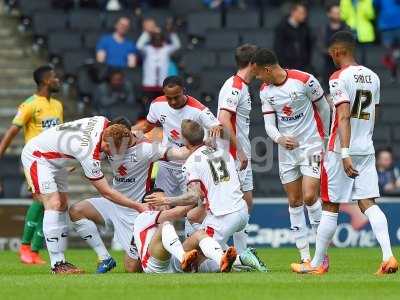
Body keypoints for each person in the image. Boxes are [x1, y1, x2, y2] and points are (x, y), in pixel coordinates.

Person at [291, 31, 398, 275]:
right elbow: (374, 112)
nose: (331, 59)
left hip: (342, 150)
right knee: (368, 202)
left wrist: (345, 152)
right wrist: (363, 139)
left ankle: (317, 264)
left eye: (332, 54)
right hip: (366, 147)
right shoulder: (374, 77)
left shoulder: (339, 77)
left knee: (330, 204)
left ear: (338, 51)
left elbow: (343, 116)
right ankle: (388, 257)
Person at [21, 118, 148, 274]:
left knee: (62, 205)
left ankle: (96, 259)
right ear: (107, 143)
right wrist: (137, 206)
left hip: (54, 159)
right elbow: (106, 192)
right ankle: (57, 265)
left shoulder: (104, 122)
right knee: (54, 204)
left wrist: (132, 135)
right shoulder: (89, 151)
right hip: (38, 157)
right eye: (112, 150)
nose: (111, 154)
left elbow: (119, 129)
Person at [69, 119, 191, 273]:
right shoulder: (109, 142)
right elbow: (88, 153)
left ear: (124, 144)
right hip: (113, 203)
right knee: (76, 210)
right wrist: (72, 162)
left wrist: (200, 146)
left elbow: (178, 153)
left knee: (132, 269)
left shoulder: (147, 149)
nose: (106, 150)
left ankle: (177, 259)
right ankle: (105, 257)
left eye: (111, 148)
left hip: (135, 211)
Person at [145, 120, 267, 273]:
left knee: (185, 266)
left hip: (223, 217)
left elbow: (195, 195)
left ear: (184, 140)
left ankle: (241, 258)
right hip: (241, 210)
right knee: (193, 218)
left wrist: (166, 200)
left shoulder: (191, 162)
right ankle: (231, 254)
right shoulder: (222, 151)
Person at [252, 48, 331, 264]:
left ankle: (321, 254)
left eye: (259, 73)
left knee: (309, 196)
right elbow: (269, 124)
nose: (258, 77)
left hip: (311, 145)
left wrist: (324, 138)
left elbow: (324, 108)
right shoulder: (265, 90)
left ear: (267, 69)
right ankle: (304, 256)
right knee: (295, 201)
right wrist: (279, 139)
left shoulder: (305, 80)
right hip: (286, 151)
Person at [0, 65, 63, 265]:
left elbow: (60, 135)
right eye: (54, 77)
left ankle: (34, 251)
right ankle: (26, 247)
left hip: (54, 160)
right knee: (40, 199)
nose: (57, 80)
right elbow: (12, 132)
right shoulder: (29, 105)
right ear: (45, 81)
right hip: (35, 160)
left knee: (51, 205)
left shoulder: (58, 105)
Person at [132, 76, 222, 198]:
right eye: (169, 98)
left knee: (193, 208)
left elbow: (217, 127)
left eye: (176, 97)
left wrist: (214, 132)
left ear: (184, 91)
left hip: (191, 164)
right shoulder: (157, 104)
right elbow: (147, 126)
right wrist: (130, 131)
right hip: (166, 163)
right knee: (160, 204)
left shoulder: (199, 110)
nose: (173, 102)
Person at [217, 44, 257, 255]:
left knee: (246, 202)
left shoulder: (242, 85)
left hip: (240, 152)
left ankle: (241, 252)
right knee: (239, 204)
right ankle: (226, 248)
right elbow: (223, 119)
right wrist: (239, 150)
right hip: (231, 154)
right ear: (252, 63)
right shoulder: (235, 86)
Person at [136, 18, 181, 111]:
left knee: (162, 107)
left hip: (162, 84)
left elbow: (177, 45)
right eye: (155, 37)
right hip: (149, 84)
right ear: (151, 38)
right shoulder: (147, 49)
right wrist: (147, 32)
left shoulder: (167, 49)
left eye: (159, 37)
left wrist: (172, 33)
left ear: (163, 39)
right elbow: (138, 45)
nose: (157, 39)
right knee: (148, 108)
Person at [273, 2, 313, 71]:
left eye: (305, 13)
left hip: (303, 66)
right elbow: (278, 47)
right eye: (301, 13)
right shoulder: (282, 27)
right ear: (293, 12)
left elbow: (308, 46)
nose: (304, 16)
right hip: (287, 66)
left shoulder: (305, 27)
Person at [317, 2, 350, 85]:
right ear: (329, 14)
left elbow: (350, 45)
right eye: (334, 13)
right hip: (328, 64)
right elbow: (320, 45)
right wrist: (331, 52)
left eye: (339, 13)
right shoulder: (323, 29)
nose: (337, 15)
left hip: (344, 65)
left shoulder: (346, 28)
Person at [340, 0, 375, 65]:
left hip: (364, 31)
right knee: (350, 54)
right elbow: (343, 16)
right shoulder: (345, 1)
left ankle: (363, 71)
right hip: (350, 29)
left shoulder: (367, 1)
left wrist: (361, 5)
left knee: (364, 55)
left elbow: (371, 15)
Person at [374, 0, 400, 81]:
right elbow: (375, 5)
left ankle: (394, 71)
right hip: (385, 27)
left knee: (396, 52)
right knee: (389, 52)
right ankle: (393, 72)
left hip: (398, 26)